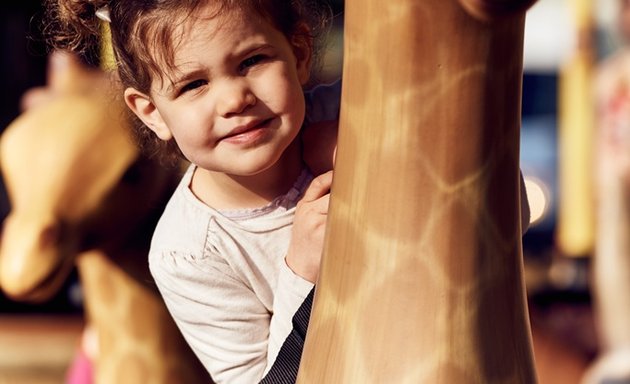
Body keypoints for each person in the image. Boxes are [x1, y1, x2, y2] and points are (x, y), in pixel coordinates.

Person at [45, 0, 338, 382]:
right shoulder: (189, 254)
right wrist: (302, 273)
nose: (235, 100)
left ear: (298, 53)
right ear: (151, 112)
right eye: (194, 84)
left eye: (252, 61)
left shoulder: (355, 110)